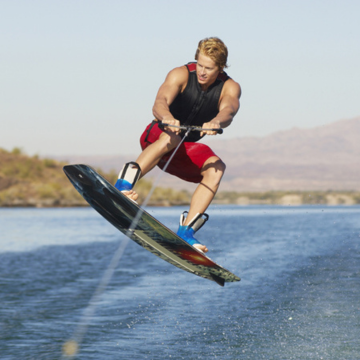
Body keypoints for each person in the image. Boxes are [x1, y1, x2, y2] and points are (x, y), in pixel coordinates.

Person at [115, 37, 241, 253]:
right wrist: (167, 117)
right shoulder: (180, 74)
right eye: (200, 65)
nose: (202, 72)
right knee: (173, 136)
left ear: (220, 68)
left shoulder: (230, 87)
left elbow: (228, 110)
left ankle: (186, 231)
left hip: (182, 150)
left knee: (217, 167)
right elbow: (160, 102)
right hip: (157, 136)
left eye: (208, 68)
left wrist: (216, 122)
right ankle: (123, 186)